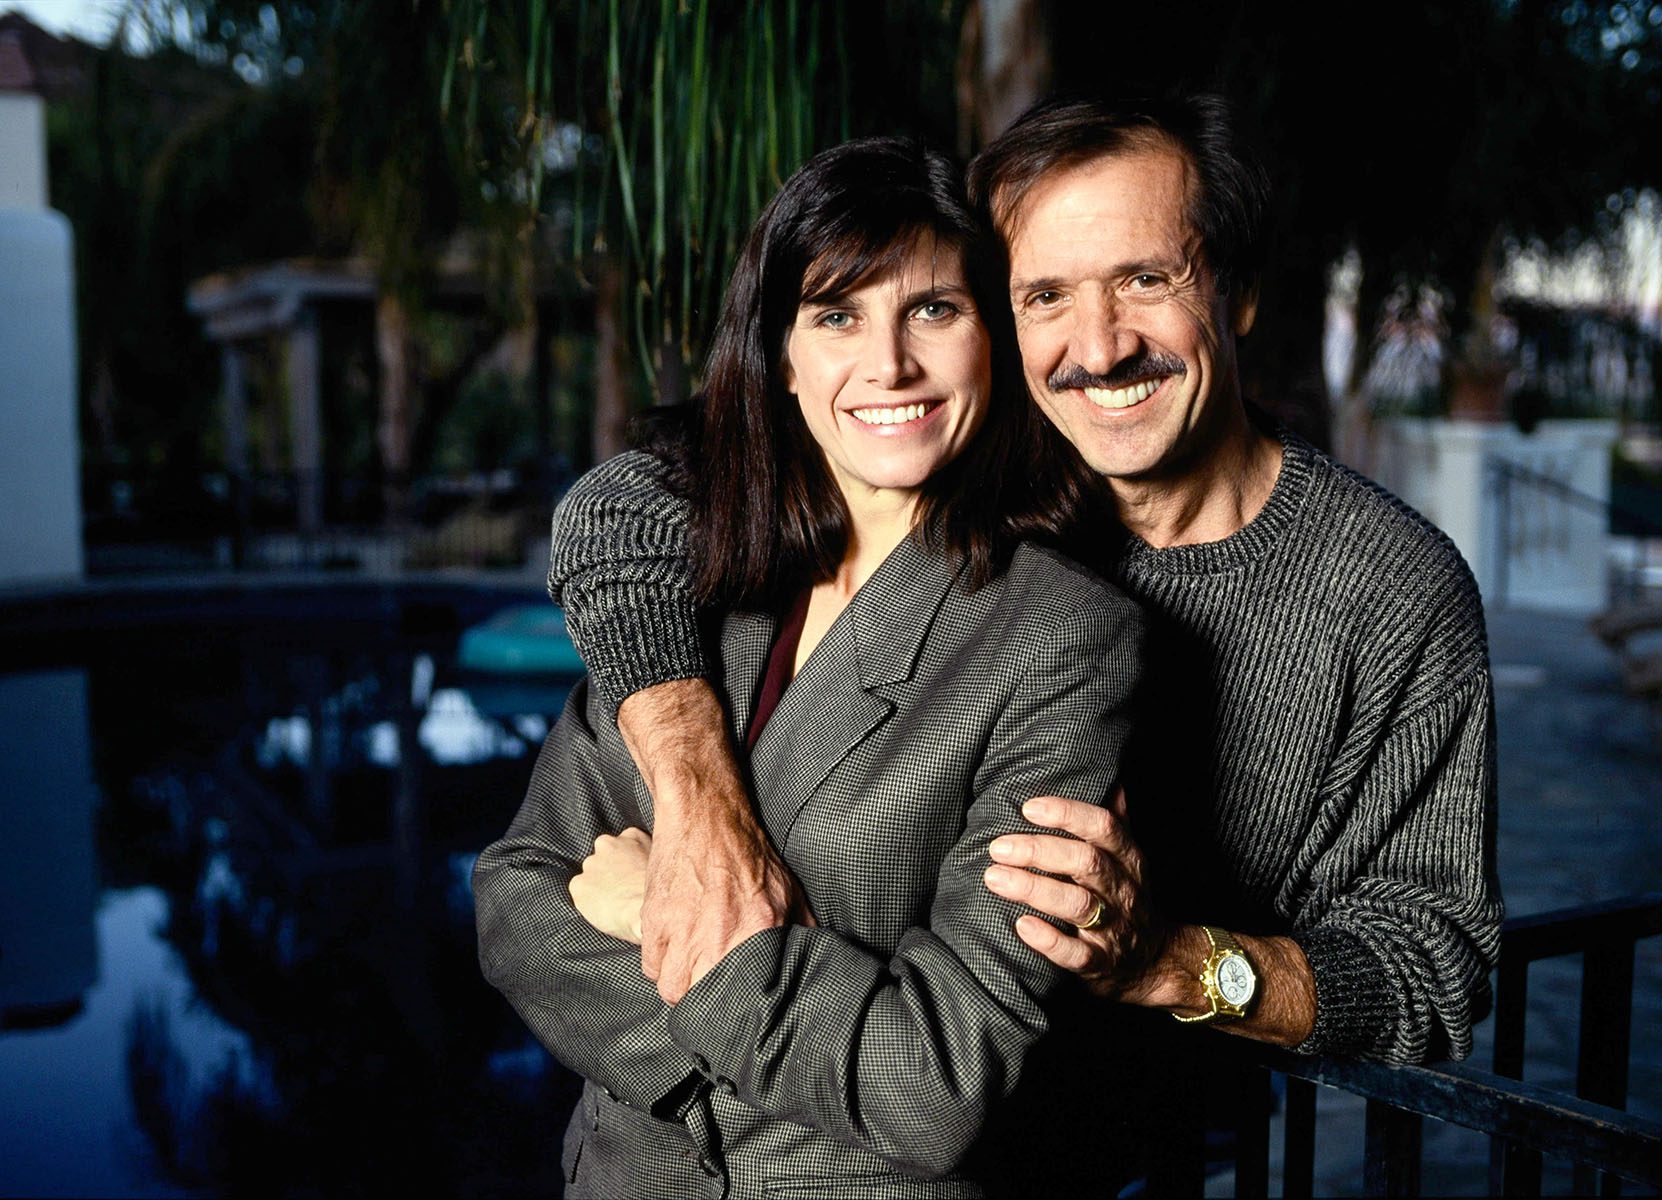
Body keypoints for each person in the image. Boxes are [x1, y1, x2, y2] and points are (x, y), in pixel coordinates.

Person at [547, 91, 1502, 1087]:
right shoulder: (951, 470)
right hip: (845, 1097)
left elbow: (1428, 973)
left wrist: (1173, 962)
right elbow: (623, 506)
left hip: (1136, 1150)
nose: (1098, 348)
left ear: (1241, 294)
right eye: (1044, 296)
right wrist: (699, 799)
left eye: (1146, 279)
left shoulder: (1393, 590)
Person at [473, 136, 1143, 1199]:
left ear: (995, 341)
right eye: (838, 316)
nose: (888, 365)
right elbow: (516, 899)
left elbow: (937, 1085)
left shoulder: (1058, 637)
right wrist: (794, 1037)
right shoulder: (686, 579)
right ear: (783, 358)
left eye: (933, 310)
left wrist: (669, 919)